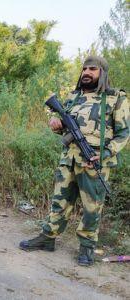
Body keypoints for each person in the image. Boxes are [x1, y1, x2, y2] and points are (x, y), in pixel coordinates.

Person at [19, 56, 129, 266]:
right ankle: (47, 238)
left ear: (102, 73)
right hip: (68, 159)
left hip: (94, 161)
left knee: (91, 207)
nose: (87, 72)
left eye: (93, 69)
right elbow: (65, 127)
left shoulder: (116, 98)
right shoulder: (74, 97)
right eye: (84, 69)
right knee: (59, 202)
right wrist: (56, 124)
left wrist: (105, 154)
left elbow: (124, 133)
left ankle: (87, 247)